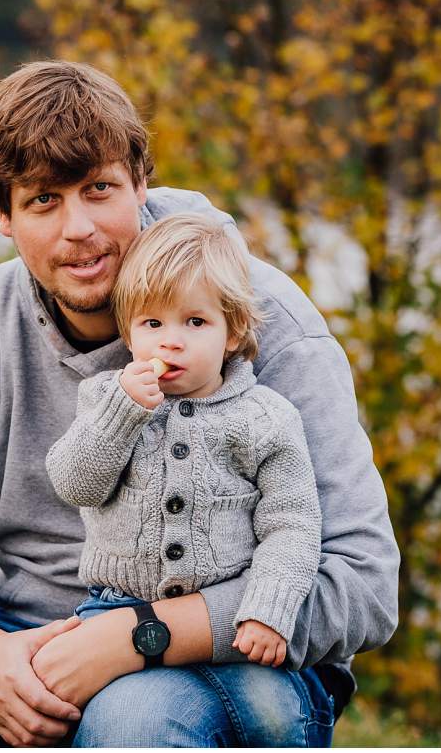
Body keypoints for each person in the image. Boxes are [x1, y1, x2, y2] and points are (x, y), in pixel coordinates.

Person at [0, 60, 400, 748]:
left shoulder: (255, 320)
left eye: (98, 189)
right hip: (31, 641)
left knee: (132, 724)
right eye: (43, 201)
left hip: (232, 656)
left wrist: (135, 636)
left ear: (139, 183)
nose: (79, 228)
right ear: (1, 215)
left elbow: (360, 584)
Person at [46, 212, 321, 670]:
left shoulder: (265, 418)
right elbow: (75, 485)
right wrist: (123, 411)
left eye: (194, 322)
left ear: (232, 332)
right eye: (152, 324)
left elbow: (292, 525)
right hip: (113, 609)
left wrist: (268, 609)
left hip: (227, 620)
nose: (169, 342)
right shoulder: (105, 398)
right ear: (129, 332)